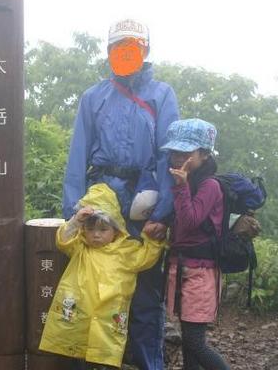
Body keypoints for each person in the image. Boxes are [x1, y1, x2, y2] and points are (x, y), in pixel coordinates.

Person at [62, 18, 179, 369]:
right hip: (102, 202)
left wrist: (163, 214)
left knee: (145, 293)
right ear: (110, 51)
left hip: (144, 203)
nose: (126, 53)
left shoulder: (161, 95)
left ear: (145, 50)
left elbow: (167, 154)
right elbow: (78, 153)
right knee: (91, 288)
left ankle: (148, 364)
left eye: (133, 47)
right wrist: (75, 209)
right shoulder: (93, 97)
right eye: (119, 47)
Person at [39, 183, 165, 370]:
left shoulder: (126, 251)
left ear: (116, 229)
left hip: (108, 320)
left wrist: (153, 238)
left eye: (103, 229)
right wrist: (76, 221)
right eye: (90, 229)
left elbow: (146, 257)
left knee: (104, 359)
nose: (96, 235)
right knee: (78, 359)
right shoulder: (80, 248)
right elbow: (62, 240)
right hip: (78, 318)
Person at [161, 118, 231, 369]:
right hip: (181, 270)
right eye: (174, 152)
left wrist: (180, 186)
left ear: (203, 153)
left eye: (185, 152)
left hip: (200, 273)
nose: (178, 158)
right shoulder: (187, 181)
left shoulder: (210, 185)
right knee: (190, 342)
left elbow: (191, 221)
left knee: (195, 342)